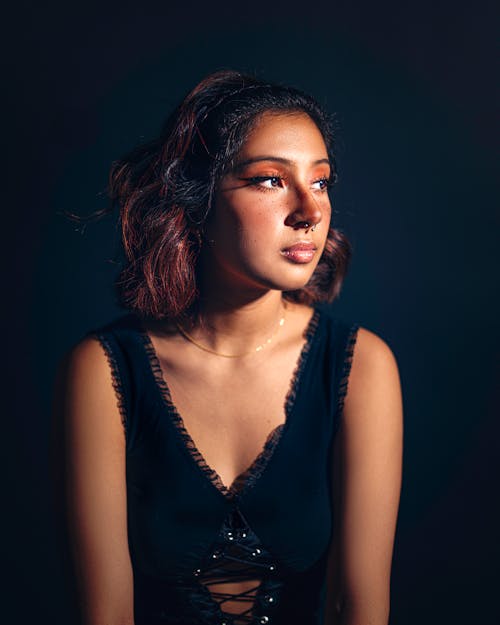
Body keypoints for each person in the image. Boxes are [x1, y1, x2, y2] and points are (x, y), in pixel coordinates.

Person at [53, 70, 403, 625]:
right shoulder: (104, 368)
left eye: (321, 181)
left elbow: (357, 605)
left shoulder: (360, 364)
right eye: (269, 180)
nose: (309, 211)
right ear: (197, 198)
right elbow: (106, 614)